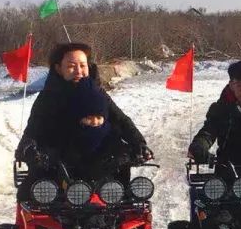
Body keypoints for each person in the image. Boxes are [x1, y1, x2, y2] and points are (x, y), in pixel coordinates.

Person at [15, 42, 151, 185]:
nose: (78, 71)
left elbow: (121, 120)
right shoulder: (48, 97)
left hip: (101, 162)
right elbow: (34, 127)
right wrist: (27, 146)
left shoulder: (99, 94)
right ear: (59, 68)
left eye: (82, 65)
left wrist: (138, 142)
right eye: (71, 66)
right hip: (60, 164)